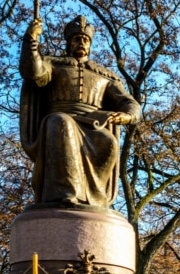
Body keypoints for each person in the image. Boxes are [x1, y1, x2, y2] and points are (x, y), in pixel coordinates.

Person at [19, 15, 141, 207]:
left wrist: (128, 116)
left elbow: (128, 102)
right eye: (77, 39)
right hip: (58, 120)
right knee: (62, 122)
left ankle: (95, 200)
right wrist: (31, 39)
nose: (82, 42)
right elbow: (33, 72)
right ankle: (66, 194)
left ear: (90, 45)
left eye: (86, 39)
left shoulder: (106, 75)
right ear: (69, 43)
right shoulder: (52, 64)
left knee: (109, 141)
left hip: (93, 124)